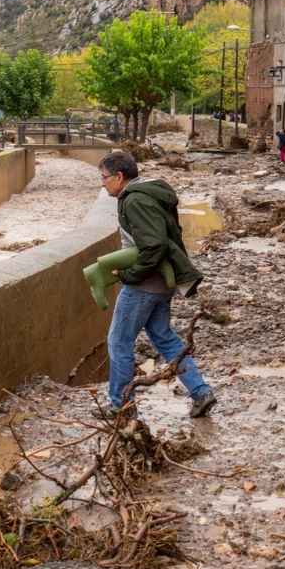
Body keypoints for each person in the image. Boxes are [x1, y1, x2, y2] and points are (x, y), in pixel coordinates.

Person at [98, 151, 216, 418]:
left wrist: (130, 275)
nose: (102, 183)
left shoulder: (135, 201)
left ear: (119, 176)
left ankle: (121, 406)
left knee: (118, 341)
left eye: (104, 178)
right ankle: (201, 392)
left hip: (144, 285)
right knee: (165, 339)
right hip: (163, 281)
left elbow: (153, 245)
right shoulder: (148, 194)